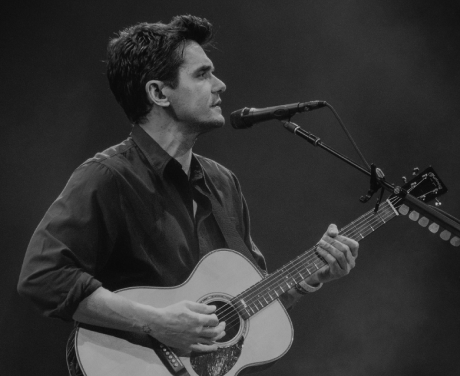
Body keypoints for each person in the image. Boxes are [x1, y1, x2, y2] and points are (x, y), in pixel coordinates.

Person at [17, 14, 358, 375]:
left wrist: (309, 278)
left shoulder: (223, 182)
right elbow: (42, 276)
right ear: (159, 93)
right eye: (202, 74)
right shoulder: (107, 176)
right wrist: (157, 322)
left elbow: (244, 309)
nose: (221, 84)